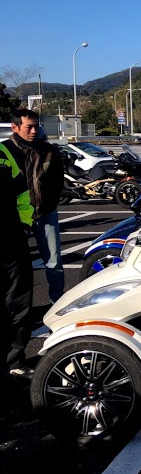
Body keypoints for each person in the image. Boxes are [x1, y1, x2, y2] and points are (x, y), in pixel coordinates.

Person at [3, 109, 65, 303]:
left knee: (54, 263)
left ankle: (57, 303)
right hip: (16, 218)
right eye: (29, 127)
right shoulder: (5, 150)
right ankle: (20, 309)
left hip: (45, 214)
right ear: (15, 127)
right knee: (17, 267)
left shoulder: (48, 151)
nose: (34, 131)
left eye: (36, 126)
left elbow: (58, 181)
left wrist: (50, 203)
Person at [0, 139, 34, 388]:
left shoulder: (4, 153)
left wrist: (24, 225)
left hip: (11, 243)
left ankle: (14, 362)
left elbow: (23, 193)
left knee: (19, 304)